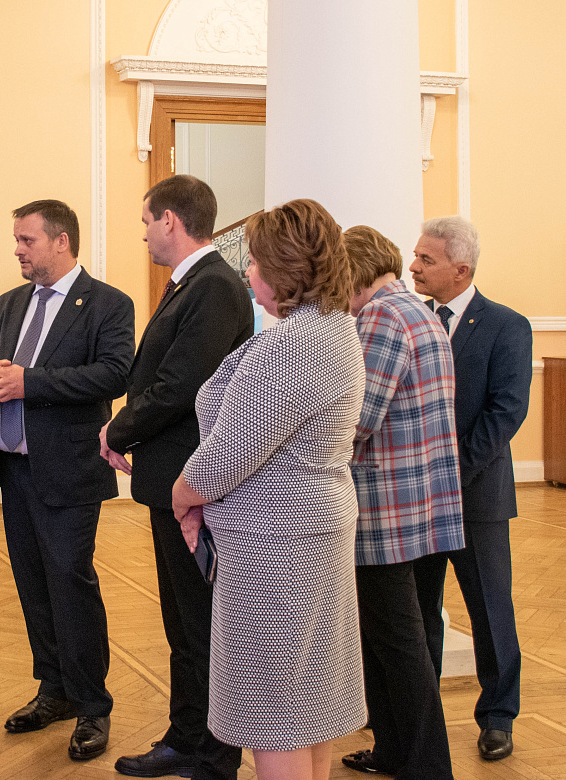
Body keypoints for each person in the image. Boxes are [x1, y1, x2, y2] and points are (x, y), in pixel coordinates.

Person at [171, 199, 366, 780]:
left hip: (276, 546)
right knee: (308, 705)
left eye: (255, 261)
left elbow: (228, 456)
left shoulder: (297, 344)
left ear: (286, 267)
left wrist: (184, 493)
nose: (248, 271)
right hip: (309, 532)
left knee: (273, 712)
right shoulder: (331, 329)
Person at [0, 199, 135, 761]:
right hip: (14, 468)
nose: (17, 249)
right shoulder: (10, 302)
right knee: (33, 584)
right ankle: (54, 690)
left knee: (69, 583)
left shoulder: (107, 303)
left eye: (27, 240)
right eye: (16, 239)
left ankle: (92, 705)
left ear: (61, 241)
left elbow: (113, 374)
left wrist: (28, 383)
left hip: (69, 471)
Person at [101, 175, 251, 780]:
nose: (143, 233)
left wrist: (117, 431)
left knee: (200, 623)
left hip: (194, 481)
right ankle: (188, 736)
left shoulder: (213, 286)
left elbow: (179, 385)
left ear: (170, 220)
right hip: (172, 478)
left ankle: (211, 751)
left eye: (146, 221)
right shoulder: (194, 282)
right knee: (184, 623)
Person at [338, 225, 462, 779]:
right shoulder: (420, 312)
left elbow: (358, 419)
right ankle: (393, 751)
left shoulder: (381, 317)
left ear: (353, 272)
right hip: (418, 503)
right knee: (391, 643)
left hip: (386, 510)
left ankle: (428, 766)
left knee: (399, 646)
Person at [410, 215, 533, 762]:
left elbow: (506, 412)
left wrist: (450, 471)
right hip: (416, 500)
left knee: (490, 611)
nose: (414, 266)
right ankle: (417, 719)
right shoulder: (411, 322)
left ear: (461, 270)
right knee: (417, 613)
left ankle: (498, 716)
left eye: (426, 259)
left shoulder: (507, 326)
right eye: (416, 255)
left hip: (476, 497)